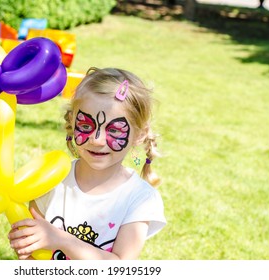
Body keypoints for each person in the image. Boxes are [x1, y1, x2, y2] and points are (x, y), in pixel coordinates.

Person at [8, 67, 166, 260]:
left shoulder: (140, 198)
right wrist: (27, 248)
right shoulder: (51, 181)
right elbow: (33, 255)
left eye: (114, 130)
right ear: (72, 122)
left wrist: (61, 240)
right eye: (86, 126)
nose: (97, 140)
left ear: (139, 135)